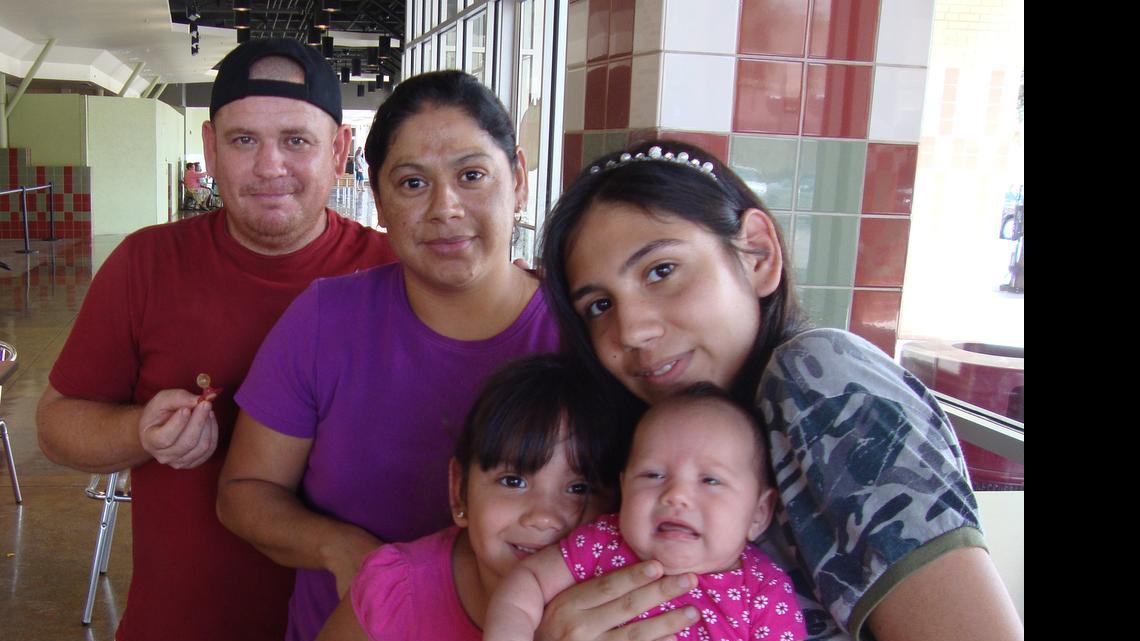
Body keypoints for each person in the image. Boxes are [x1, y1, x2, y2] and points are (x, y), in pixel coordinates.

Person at [536, 140, 1025, 641]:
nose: (631, 330)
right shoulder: (656, 440)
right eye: (598, 306)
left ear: (758, 254)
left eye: (662, 271)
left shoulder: (817, 379)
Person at [35, 38, 397, 641]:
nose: (269, 166)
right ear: (209, 149)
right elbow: (54, 425)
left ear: (338, 151)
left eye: (296, 141)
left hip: (350, 624)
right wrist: (137, 432)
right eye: (243, 140)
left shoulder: (395, 276)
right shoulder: (146, 263)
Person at [216, 70, 561, 641]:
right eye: (411, 183)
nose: (446, 208)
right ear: (378, 198)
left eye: (472, 175)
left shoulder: (578, 334)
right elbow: (244, 492)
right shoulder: (327, 321)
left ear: (518, 179)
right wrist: (343, 550)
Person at [314, 354, 629, 641]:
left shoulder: (640, 604)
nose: (544, 516)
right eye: (513, 480)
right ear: (459, 491)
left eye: (579, 489)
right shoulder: (396, 593)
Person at [485, 384, 806, 641]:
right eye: (654, 475)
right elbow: (529, 580)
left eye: (710, 480)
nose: (676, 495)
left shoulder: (763, 590)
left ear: (758, 514)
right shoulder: (603, 541)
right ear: (624, 489)